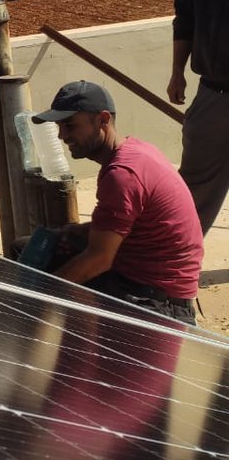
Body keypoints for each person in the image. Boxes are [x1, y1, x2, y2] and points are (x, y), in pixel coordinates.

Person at [30, 80, 202, 324]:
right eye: (60, 127)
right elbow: (126, 227)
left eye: (70, 126)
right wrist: (72, 233)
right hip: (144, 282)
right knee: (37, 249)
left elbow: (99, 258)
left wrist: (37, 296)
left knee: (43, 291)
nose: (62, 136)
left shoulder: (122, 174)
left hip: (158, 303)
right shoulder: (132, 151)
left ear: (102, 120)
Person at [168, 0, 229, 234]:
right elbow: (185, 20)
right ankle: (177, 267)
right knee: (192, 187)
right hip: (213, 94)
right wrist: (178, 72)